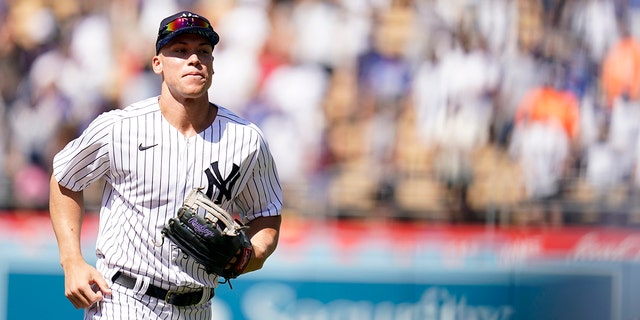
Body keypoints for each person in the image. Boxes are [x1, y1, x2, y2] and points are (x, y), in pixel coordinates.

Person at [48, 11, 283, 319]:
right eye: (181, 51)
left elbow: (266, 215)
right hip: (124, 298)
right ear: (157, 63)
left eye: (203, 51)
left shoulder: (246, 140)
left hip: (198, 306)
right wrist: (72, 261)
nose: (194, 59)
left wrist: (249, 255)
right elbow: (65, 178)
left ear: (212, 64)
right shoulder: (120, 127)